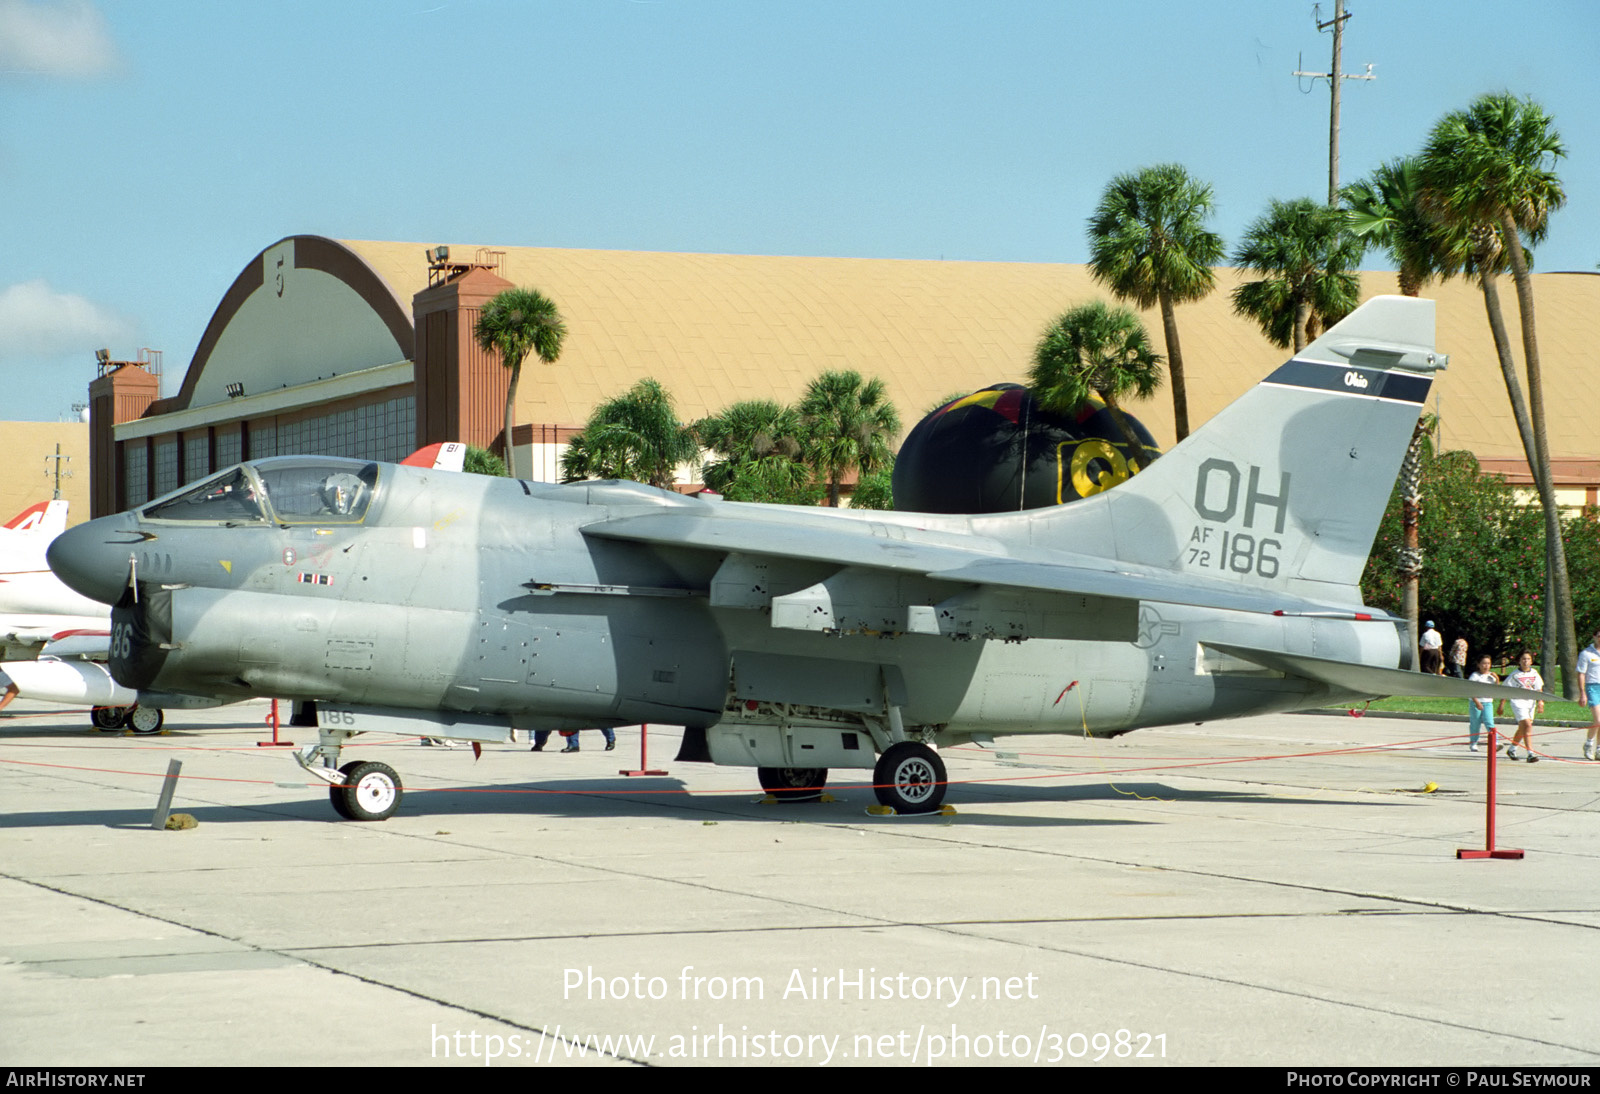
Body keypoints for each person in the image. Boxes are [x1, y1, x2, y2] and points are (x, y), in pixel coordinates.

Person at [1500, 651, 1544, 763]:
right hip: (1518, 702)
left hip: (1530, 702)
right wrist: (1501, 705)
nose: (1525, 661)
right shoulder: (1514, 675)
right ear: (1519, 661)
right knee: (1527, 725)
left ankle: (1512, 749)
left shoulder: (1534, 673)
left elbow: (1539, 689)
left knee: (1523, 728)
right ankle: (1530, 753)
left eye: (1528, 659)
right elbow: (1505, 690)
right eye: (1523, 659)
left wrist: (1540, 702)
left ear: (1531, 661)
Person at [1467, 655, 1498, 753]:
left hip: (1488, 702)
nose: (1486, 666)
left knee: (1489, 722)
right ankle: (1473, 743)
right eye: (1484, 663)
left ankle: (1495, 742)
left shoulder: (1491, 677)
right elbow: (1470, 691)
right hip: (1476, 702)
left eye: (1488, 663)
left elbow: (1496, 689)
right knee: (1475, 723)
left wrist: (1497, 679)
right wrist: (1477, 702)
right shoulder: (1475, 676)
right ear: (1479, 665)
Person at [1577, 630, 1600, 760]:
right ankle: (1589, 743)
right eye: (1599, 636)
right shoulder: (1586, 653)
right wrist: (1582, 693)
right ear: (1594, 637)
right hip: (1593, 687)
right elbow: (1581, 673)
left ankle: (1599, 749)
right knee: (1598, 720)